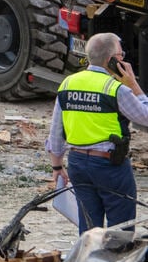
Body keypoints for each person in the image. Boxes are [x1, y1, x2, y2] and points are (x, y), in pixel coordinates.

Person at [46, 32, 148, 233]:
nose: (123, 60)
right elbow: (145, 117)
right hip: (109, 166)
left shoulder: (67, 84)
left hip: (77, 163)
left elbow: (56, 130)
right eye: (120, 56)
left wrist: (57, 166)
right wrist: (135, 86)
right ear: (111, 60)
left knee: (89, 227)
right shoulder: (116, 88)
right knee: (120, 229)